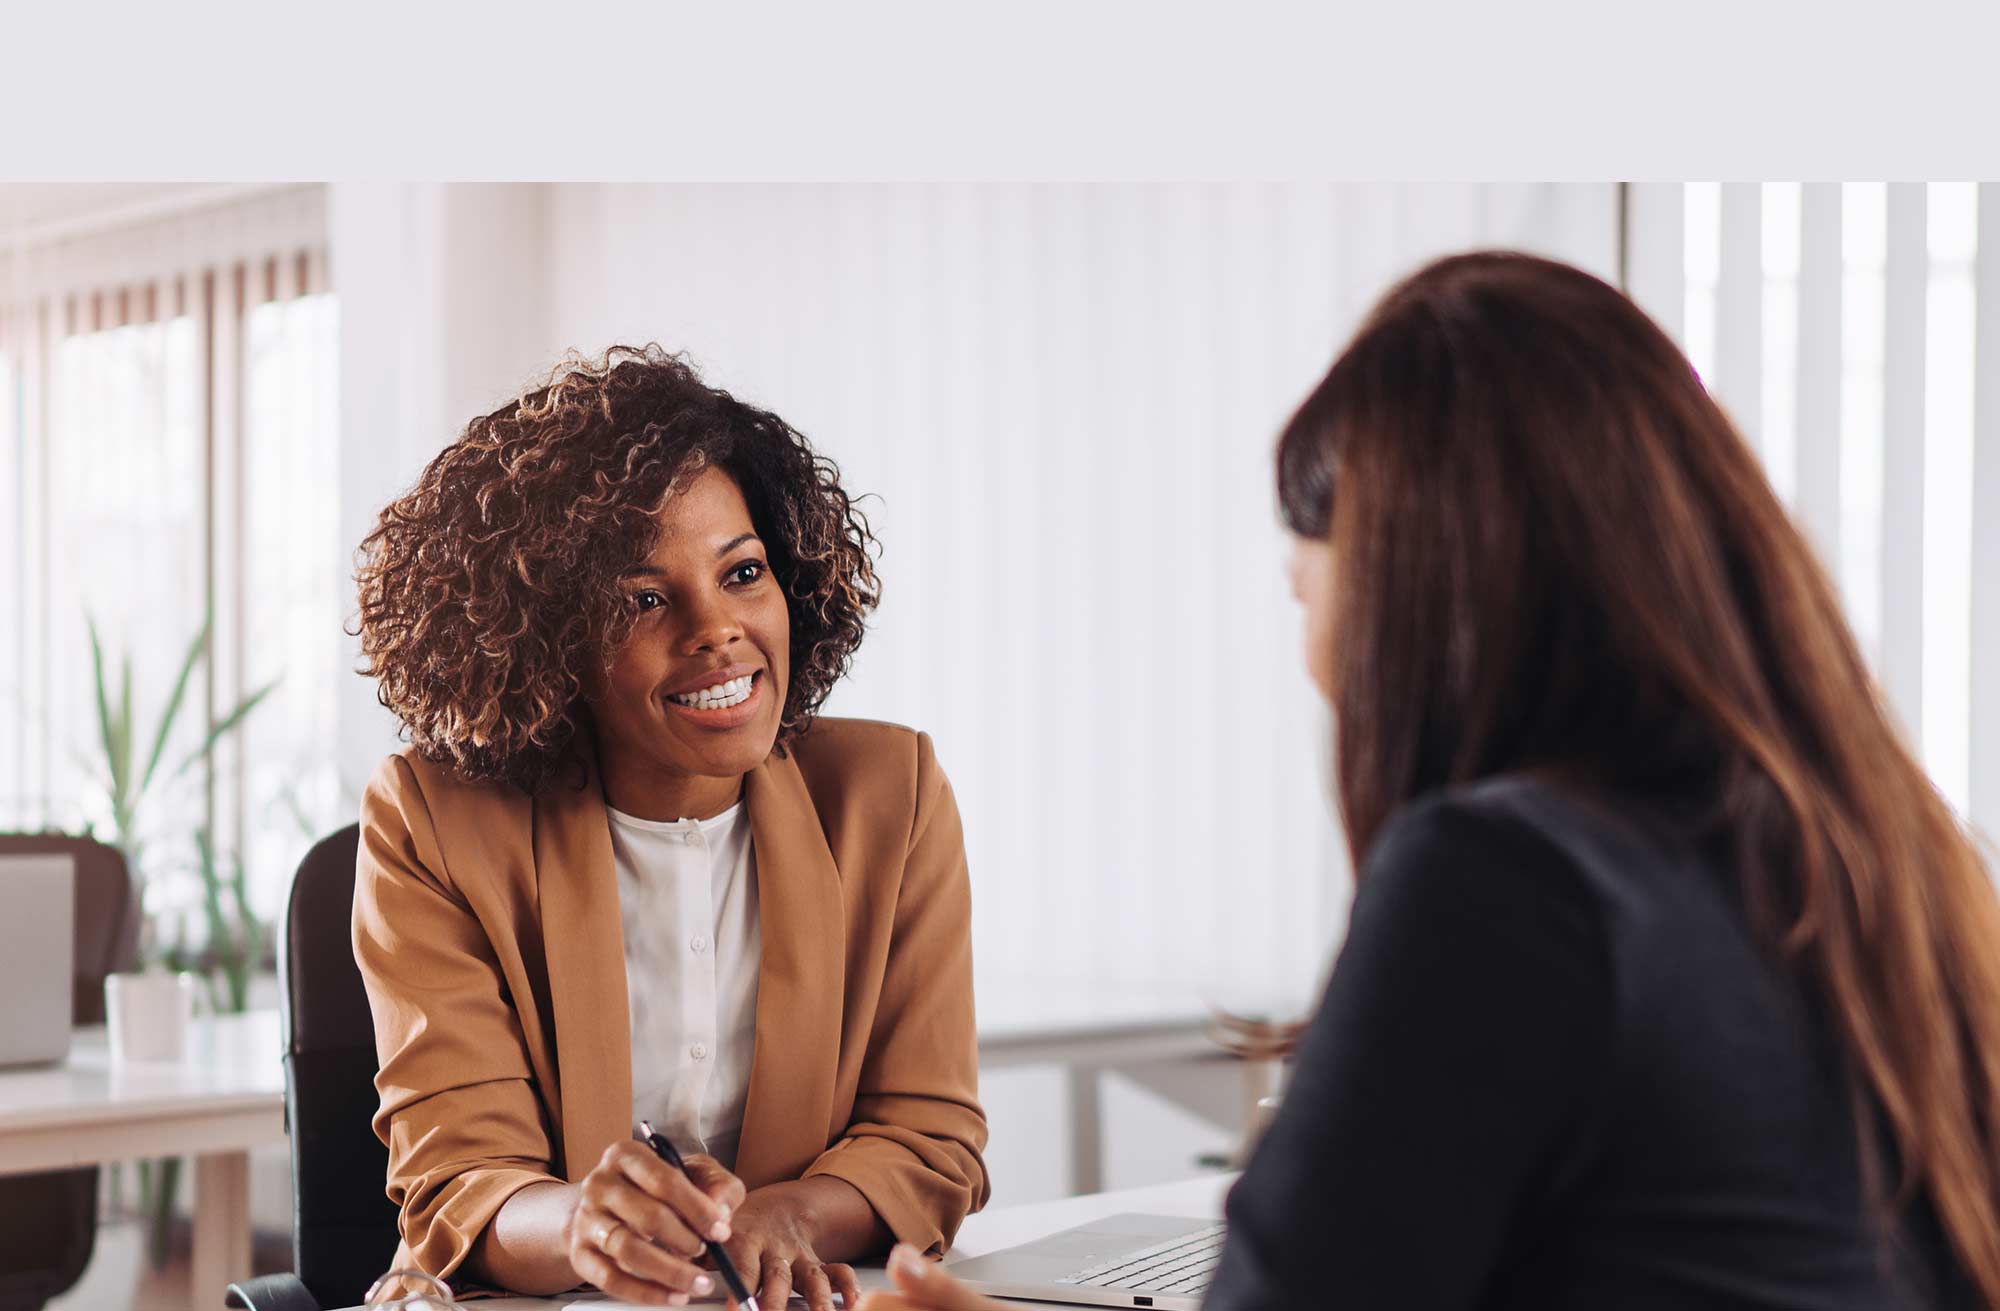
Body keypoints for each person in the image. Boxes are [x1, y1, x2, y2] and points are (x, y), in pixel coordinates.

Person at [863, 252, 2000, 1310]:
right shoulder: (1882, 861)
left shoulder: (1508, 882)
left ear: (1412, 583)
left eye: (1305, 583)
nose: (1311, 653)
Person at [352, 346, 989, 1311]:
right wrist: (586, 1225)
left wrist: (787, 1218)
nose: (717, 628)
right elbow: (464, 1175)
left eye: (742, 572)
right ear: (547, 636)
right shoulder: (433, 820)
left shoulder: (888, 795)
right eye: (643, 598)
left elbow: (929, 1133)